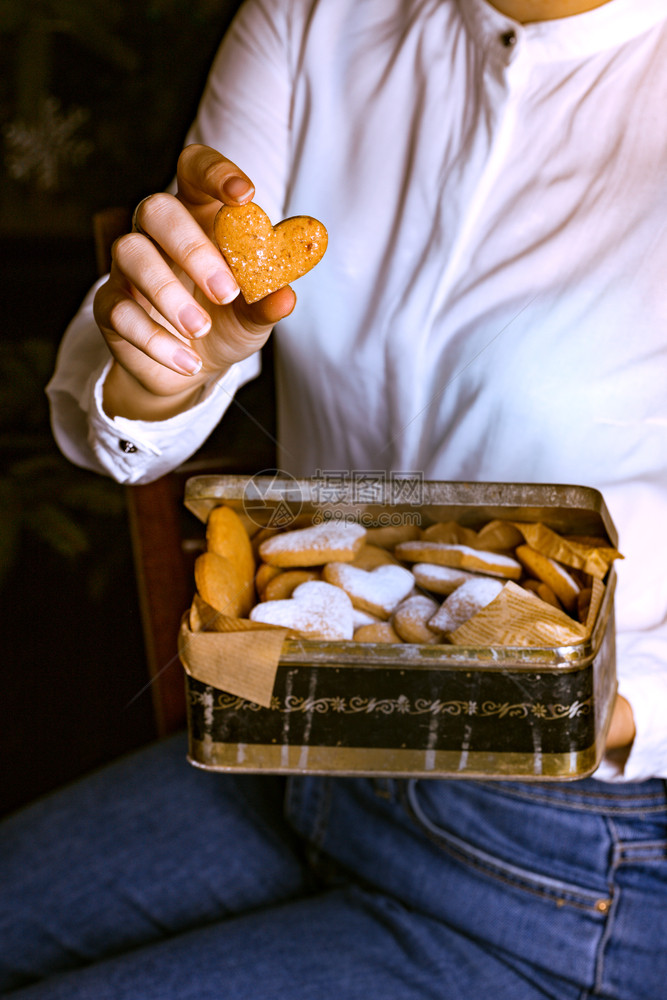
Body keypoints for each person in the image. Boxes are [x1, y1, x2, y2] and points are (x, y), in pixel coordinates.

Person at [2, 0, 666, 996]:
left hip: (558, 855)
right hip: (293, 753)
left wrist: (605, 709)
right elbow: (129, 408)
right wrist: (169, 360)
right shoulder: (314, 17)